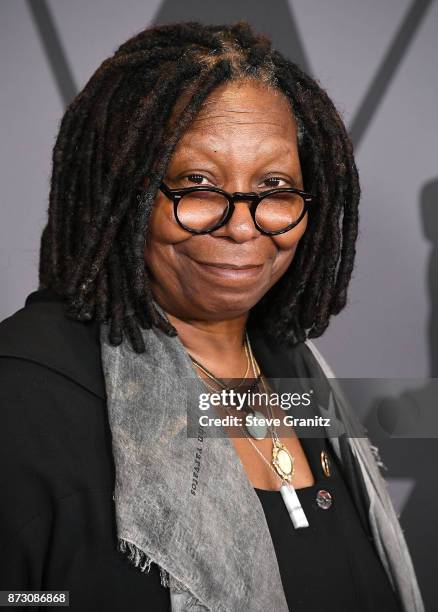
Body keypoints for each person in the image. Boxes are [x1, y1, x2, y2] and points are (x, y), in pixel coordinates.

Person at [0, 21, 424, 612]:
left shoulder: (296, 370)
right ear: (124, 193)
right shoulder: (22, 395)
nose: (243, 225)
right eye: (197, 183)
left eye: (274, 185)